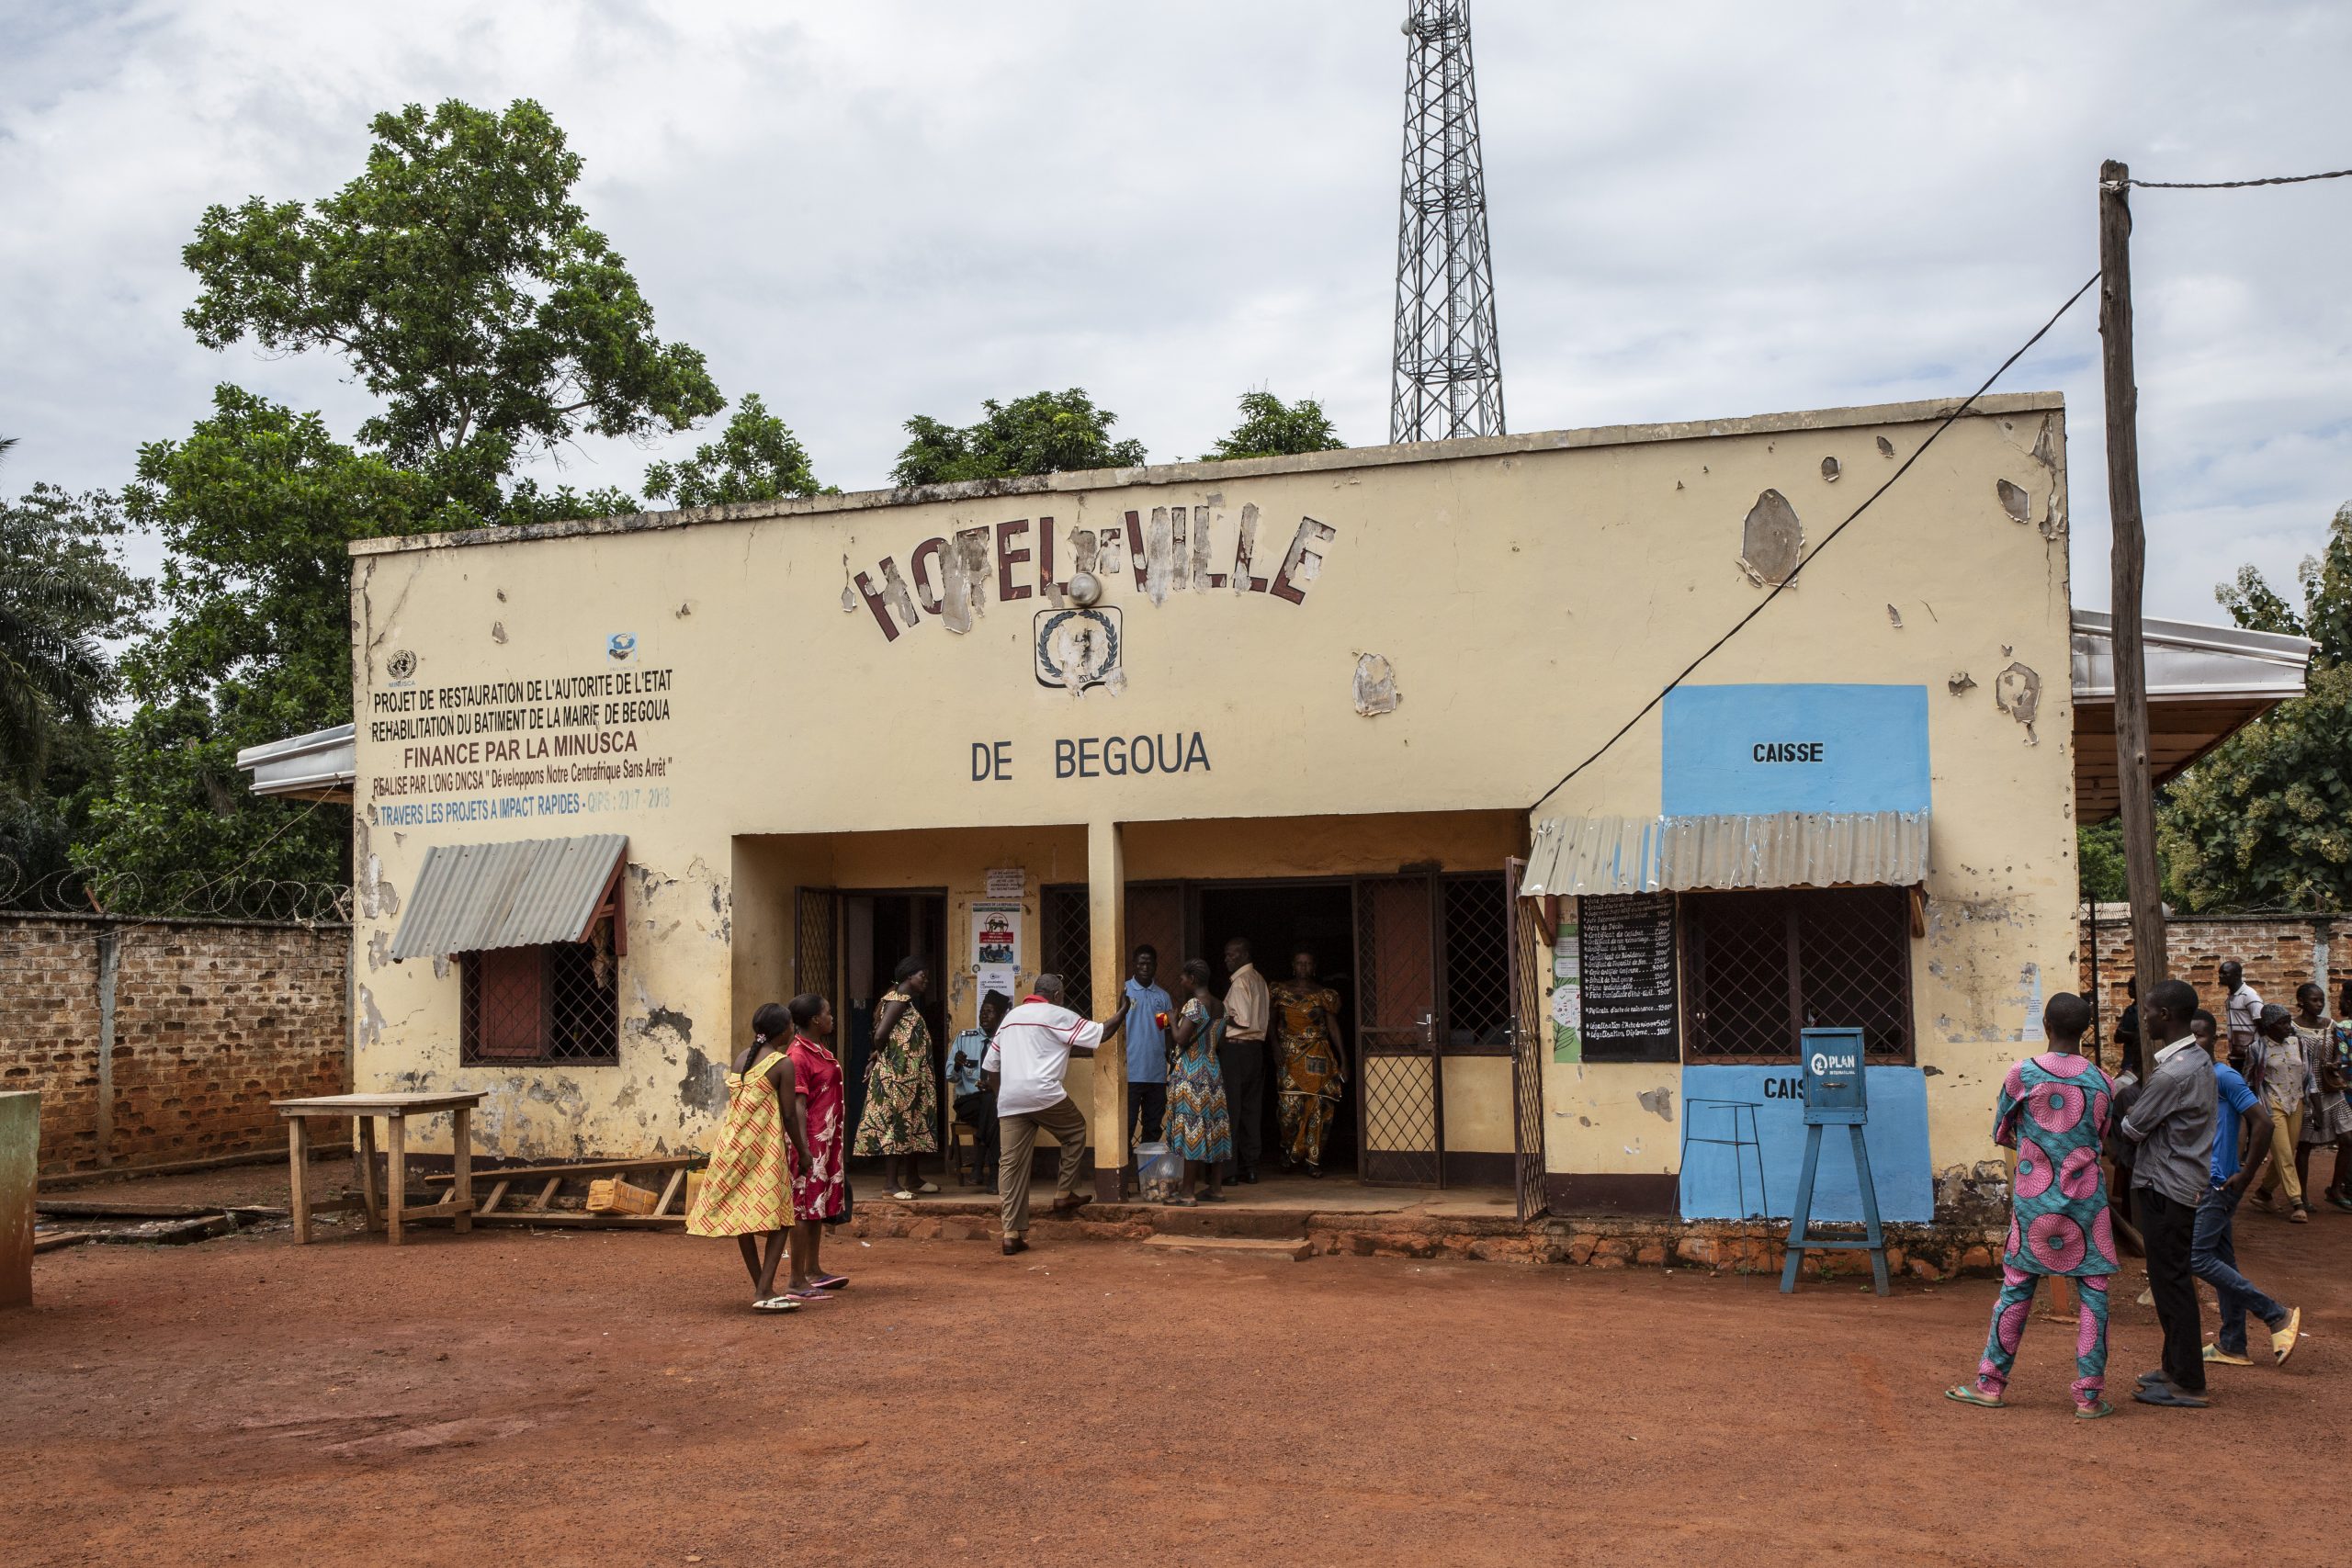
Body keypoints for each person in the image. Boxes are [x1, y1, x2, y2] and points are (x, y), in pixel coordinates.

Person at [1946, 993, 2120, 1418]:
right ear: (2087, 1030)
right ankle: (2088, 1397)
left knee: (2016, 1288)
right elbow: (2102, 1136)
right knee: (2094, 1293)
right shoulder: (2103, 1080)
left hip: (2033, 1200)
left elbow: (2002, 1131)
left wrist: (2036, 1148)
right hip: (2087, 1202)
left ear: (2046, 1025)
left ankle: (1990, 1384)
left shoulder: (2021, 1074)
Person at [2119, 976, 2218, 1408]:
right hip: (2178, 1182)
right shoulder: (2194, 1060)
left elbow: (2133, 1127)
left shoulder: (2174, 1073)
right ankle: (2174, 1366)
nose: (2143, 1017)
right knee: (2167, 1279)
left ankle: (2189, 1380)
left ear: (2166, 1015)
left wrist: (2122, 1096)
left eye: (2149, 1010)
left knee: (2172, 1282)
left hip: (2166, 1186)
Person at [984, 973, 1130, 1256]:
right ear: (1057, 995)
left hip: (1010, 1098)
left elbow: (991, 1068)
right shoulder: (1056, 1014)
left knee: (1011, 1166)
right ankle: (1063, 1194)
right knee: (1075, 1130)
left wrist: (1004, 1097)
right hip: (1044, 1093)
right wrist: (1124, 1010)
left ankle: (1011, 1234)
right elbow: (1102, 1033)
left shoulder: (1011, 1018)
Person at [2189, 1010, 2302, 1371]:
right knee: (2221, 1261)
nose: (2195, 1044)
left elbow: (2263, 1122)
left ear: (2214, 1040)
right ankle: (2233, 1343)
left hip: (2220, 1182)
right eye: (2189, 1038)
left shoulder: (2224, 1076)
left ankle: (2275, 1314)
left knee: (2196, 1257)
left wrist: (2247, 1173)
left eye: (2201, 1037)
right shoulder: (2191, 1077)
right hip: (2205, 1182)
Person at [685, 1001, 814, 1313]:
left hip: (733, 1145)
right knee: (782, 1219)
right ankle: (763, 1289)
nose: (791, 1030)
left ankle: (763, 1286)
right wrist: (804, 1151)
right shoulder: (782, 1064)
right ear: (781, 1030)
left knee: (745, 1216)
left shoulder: (742, 1058)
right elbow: (787, 1114)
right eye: (788, 1026)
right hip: (763, 1148)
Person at [784, 992, 851, 1298]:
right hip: (809, 1140)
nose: (831, 1016)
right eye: (827, 1012)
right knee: (803, 1205)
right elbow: (797, 1105)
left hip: (825, 1140)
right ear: (814, 1020)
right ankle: (797, 1278)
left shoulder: (818, 1050)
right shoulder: (798, 1055)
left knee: (817, 1205)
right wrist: (803, 1149)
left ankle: (813, 1269)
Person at [855, 956, 940, 1201]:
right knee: (897, 1125)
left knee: (912, 1123)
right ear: (908, 976)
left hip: (910, 1077)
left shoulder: (905, 1001)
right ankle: (890, 1184)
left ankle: (912, 1178)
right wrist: (885, 1058)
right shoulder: (898, 1001)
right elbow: (880, 1035)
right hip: (898, 1077)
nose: (926, 981)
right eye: (922, 976)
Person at [1164, 958, 1235, 1205]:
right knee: (1215, 1128)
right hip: (1213, 1072)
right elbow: (1221, 1043)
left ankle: (1187, 1193)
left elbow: (1181, 1039)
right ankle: (1216, 1189)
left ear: (1192, 980)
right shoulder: (1221, 1007)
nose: (1181, 982)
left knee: (1191, 1131)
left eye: (1183, 978)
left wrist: (1172, 1020)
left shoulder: (1194, 1005)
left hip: (1192, 1073)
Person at [1270, 948, 1346, 1177]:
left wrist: (1344, 1060)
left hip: (1318, 1054)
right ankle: (1288, 1149)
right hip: (1289, 1055)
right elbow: (1270, 1023)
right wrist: (1274, 1047)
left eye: (1308, 963)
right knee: (1288, 1109)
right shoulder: (1279, 990)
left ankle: (1313, 1159)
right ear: (1293, 965)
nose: (1303, 967)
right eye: (1299, 963)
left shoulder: (1324, 994)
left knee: (1318, 1107)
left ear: (1314, 967)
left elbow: (1332, 1027)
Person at [2291, 982, 2352, 1213]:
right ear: (2301, 1002)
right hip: (2307, 1092)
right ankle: (2302, 1195)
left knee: (2347, 1139)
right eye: (2314, 1000)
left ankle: (2336, 1189)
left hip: (2331, 1090)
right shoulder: (2292, 1027)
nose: (2319, 1005)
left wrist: (2336, 1061)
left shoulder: (2330, 1025)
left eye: (2322, 1001)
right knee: (2305, 1146)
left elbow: (2339, 1048)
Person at [2249, 1002, 2311, 1223]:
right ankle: (2297, 1202)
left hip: (2296, 1102)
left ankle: (2264, 1192)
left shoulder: (2299, 1043)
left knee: (2287, 1151)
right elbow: (2250, 1080)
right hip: (2271, 1104)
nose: (2288, 1026)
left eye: (2288, 1021)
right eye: (2282, 1023)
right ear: (2269, 1026)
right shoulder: (2258, 1048)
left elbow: (2307, 1075)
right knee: (2284, 1153)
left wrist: (2313, 1104)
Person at [946, 991, 1010, 1193]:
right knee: (991, 1107)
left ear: (1000, 1016)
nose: (984, 1016)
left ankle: (979, 1167)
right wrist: (956, 1065)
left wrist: (993, 1086)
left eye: (990, 1012)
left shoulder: (1007, 1041)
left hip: (995, 1102)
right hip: (967, 1103)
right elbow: (950, 1077)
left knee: (991, 1102)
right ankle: (993, 1174)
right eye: (982, 1012)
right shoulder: (964, 1039)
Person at [1219, 937, 1271, 1184]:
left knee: (1232, 1111)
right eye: (1227, 954)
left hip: (1236, 1051)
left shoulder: (1240, 983)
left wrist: (1218, 1016)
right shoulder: (1259, 980)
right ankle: (1250, 1167)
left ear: (1244, 955)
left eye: (1231, 954)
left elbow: (1242, 1020)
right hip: (1255, 1051)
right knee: (1252, 1110)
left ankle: (1229, 1172)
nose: (1227, 959)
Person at [1123, 945, 1174, 1163]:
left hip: (1155, 1072)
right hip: (1131, 1072)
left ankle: (1148, 1172)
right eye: (1141, 963)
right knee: (1126, 1125)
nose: (1145, 967)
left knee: (1153, 1126)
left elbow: (1163, 1029)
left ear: (1155, 966)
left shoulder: (1162, 997)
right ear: (1134, 964)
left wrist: (1170, 1058)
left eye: (1149, 963)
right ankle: (1126, 1173)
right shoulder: (1124, 992)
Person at [2221, 961, 2264, 1064]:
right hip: (2237, 1054)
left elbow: (2261, 1022)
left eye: (2225, 973)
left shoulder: (2249, 995)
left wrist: (2258, 1050)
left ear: (2237, 975)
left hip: (2251, 1056)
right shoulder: (2231, 996)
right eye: (2220, 973)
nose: (2220, 976)